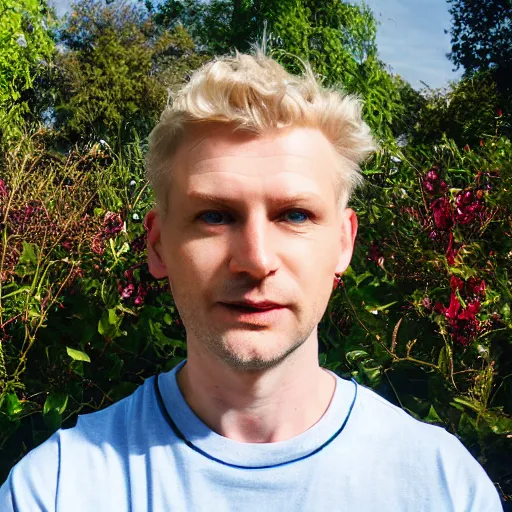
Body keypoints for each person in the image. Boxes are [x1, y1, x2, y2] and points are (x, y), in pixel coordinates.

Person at [0, 51, 503, 512]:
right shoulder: (58, 489)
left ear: (345, 244)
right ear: (157, 245)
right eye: (215, 215)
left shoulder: (445, 488)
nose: (256, 260)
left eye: (296, 215)